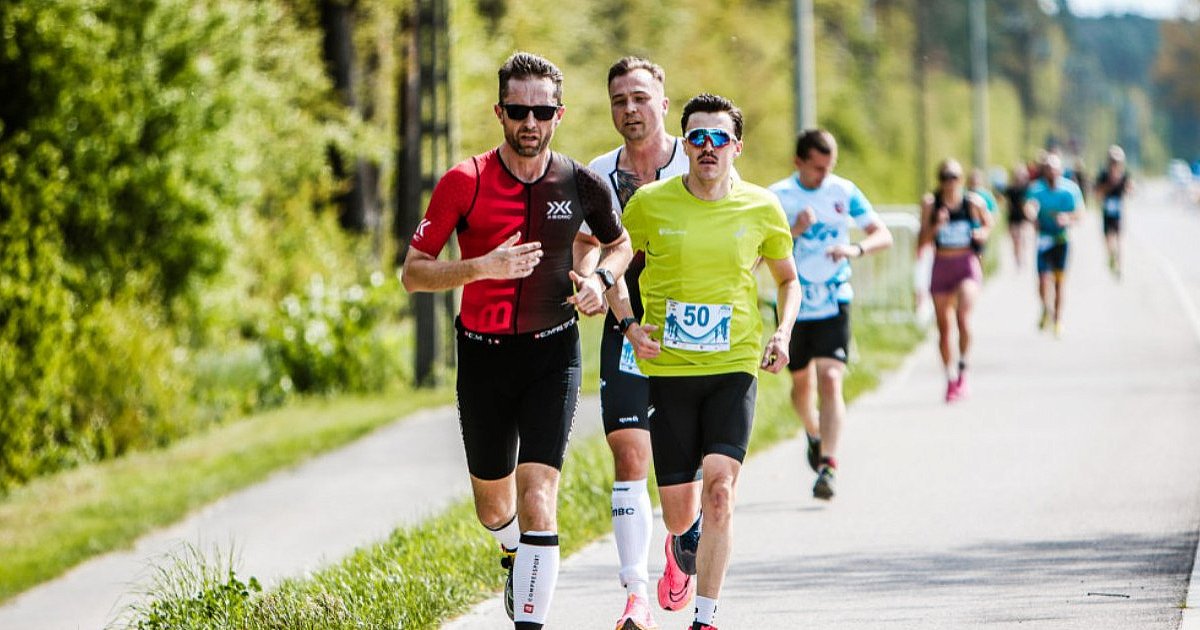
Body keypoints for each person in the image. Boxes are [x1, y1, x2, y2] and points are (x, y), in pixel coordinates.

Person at [400, 52, 633, 630]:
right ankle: (512, 553)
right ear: (499, 112)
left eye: (542, 111)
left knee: (539, 494)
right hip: (483, 355)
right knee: (494, 506)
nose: (530, 122)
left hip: (553, 352)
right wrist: (482, 268)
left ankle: (530, 620)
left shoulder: (582, 182)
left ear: (559, 114)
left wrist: (600, 281)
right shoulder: (465, 181)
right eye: (518, 110)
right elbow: (413, 271)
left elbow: (620, 243)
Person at [612, 93, 801, 630]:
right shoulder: (650, 202)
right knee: (679, 512)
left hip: (733, 364)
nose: (708, 147)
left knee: (720, 490)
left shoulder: (762, 206)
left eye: (720, 138)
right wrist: (628, 323)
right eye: (698, 137)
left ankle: (706, 618)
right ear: (684, 143)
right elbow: (618, 263)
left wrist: (783, 333)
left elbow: (789, 281)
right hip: (669, 370)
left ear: (736, 147)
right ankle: (682, 543)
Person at [572, 56, 696, 630]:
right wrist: (609, 304)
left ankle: (681, 538)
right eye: (620, 100)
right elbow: (586, 248)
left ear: (663, 104)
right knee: (629, 452)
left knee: (682, 470)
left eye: (640, 98)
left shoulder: (698, 160)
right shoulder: (599, 172)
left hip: (692, 324)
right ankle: (635, 595)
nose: (630, 109)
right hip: (628, 323)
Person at [768, 129, 892, 501]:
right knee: (802, 386)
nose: (825, 176)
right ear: (799, 163)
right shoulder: (777, 196)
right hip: (795, 302)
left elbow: (882, 234)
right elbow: (761, 253)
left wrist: (854, 249)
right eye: (818, 168)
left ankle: (828, 466)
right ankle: (814, 432)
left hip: (835, 298)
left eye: (830, 167)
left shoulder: (843, 191)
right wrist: (796, 230)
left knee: (831, 380)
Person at [917, 159, 993, 402]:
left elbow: (988, 223)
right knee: (944, 327)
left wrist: (982, 233)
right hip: (942, 265)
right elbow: (921, 242)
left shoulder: (972, 202)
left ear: (961, 180)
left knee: (962, 316)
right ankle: (950, 377)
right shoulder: (931, 204)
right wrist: (936, 226)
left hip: (966, 264)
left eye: (954, 177)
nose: (950, 183)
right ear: (939, 181)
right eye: (945, 177)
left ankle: (963, 367)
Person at [1024, 152, 1083, 338]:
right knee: (1042, 281)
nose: (1051, 172)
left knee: (1058, 284)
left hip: (1061, 241)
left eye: (1054, 168)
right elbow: (1029, 206)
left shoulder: (1070, 190)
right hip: (1043, 240)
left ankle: (1057, 319)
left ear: (1060, 171)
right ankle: (1046, 309)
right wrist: (1031, 214)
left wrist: (1067, 218)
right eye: (1047, 168)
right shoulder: (1036, 189)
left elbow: (1080, 213)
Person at [1094, 145, 1133, 278]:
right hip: (1106, 211)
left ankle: (1119, 266)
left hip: (1118, 211)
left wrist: (1127, 187)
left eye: (1117, 161)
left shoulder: (1124, 175)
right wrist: (1109, 184)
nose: (1114, 164)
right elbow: (1097, 193)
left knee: (1119, 239)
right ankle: (1111, 256)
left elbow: (1130, 190)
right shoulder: (1103, 175)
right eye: (1112, 161)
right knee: (1108, 238)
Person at [1004, 163, 1031, 269]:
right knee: (1015, 240)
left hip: (1024, 218)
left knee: (1023, 238)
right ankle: (1017, 259)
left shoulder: (1027, 188)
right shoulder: (1010, 189)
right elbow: (1005, 201)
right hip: (1013, 217)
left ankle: (1023, 257)